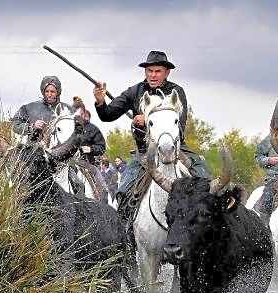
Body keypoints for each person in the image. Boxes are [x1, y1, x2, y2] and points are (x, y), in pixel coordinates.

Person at [92, 50, 210, 225]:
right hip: (143, 153)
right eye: (150, 71)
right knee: (123, 191)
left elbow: (180, 125)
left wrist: (147, 120)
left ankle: (207, 225)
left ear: (167, 72)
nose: (153, 75)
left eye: (158, 71)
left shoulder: (177, 92)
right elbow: (107, 115)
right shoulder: (134, 91)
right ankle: (126, 235)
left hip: (177, 150)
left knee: (203, 177)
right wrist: (100, 101)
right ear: (145, 71)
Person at [11, 76, 72, 141]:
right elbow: (15, 126)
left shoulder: (68, 110)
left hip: (63, 148)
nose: (49, 94)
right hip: (35, 149)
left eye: (52, 92)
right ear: (43, 92)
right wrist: (31, 127)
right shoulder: (29, 108)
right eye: (46, 91)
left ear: (58, 92)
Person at [72, 96, 106, 165]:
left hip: (86, 163)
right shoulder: (66, 126)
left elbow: (102, 147)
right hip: (67, 163)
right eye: (75, 113)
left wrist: (91, 149)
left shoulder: (93, 129)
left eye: (80, 114)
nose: (78, 116)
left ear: (84, 114)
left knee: (97, 175)